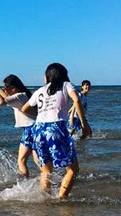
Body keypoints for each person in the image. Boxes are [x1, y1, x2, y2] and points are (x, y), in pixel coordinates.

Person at [22, 63, 91, 198]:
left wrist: (41, 115)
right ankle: (61, 200)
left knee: (46, 171)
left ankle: (45, 201)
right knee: (72, 169)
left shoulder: (40, 90)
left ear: (48, 76)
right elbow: (76, 100)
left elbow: (24, 109)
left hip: (38, 129)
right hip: (56, 128)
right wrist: (84, 125)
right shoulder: (66, 85)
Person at [0, 74, 38, 177]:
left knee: (21, 160)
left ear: (13, 89)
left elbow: (2, 101)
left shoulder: (19, 96)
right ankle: (46, 177)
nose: (4, 90)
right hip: (34, 128)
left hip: (30, 129)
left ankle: (25, 182)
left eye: (6, 88)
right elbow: (6, 97)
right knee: (36, 159)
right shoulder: (22, 95)